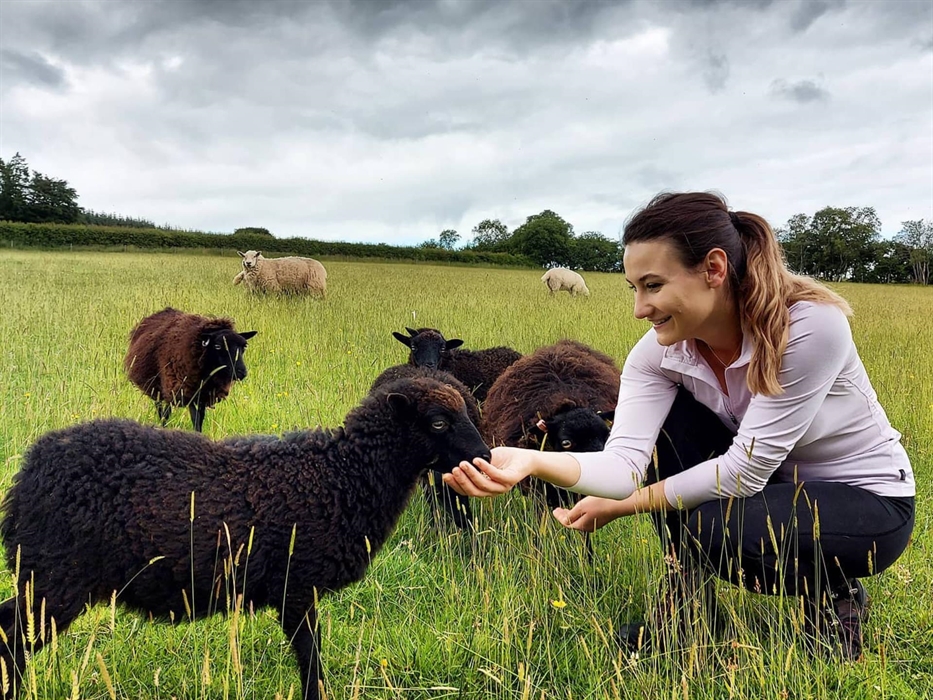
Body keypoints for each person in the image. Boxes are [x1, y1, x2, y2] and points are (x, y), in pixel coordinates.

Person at [444, 191, 915, 660]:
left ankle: (835, 595)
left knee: (715, 529)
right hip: (769, 487)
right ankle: (686, 607)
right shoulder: (657, 355)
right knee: (671, 433)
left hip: (866, 499)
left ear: (713, 269)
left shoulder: (810, 326)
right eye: (633, 288)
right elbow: (625, 463)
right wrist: (529, 460)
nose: (639, 309)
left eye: (653, 285)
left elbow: (742, 473)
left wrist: (624, 505)